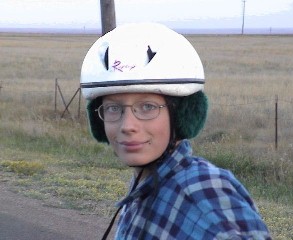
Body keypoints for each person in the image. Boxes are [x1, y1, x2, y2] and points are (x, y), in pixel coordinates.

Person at [80, 23, 271, 240]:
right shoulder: (147, 183)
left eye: (147, 107)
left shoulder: (202, 198)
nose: (127, 126)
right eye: (113, 108)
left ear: (183, 115)